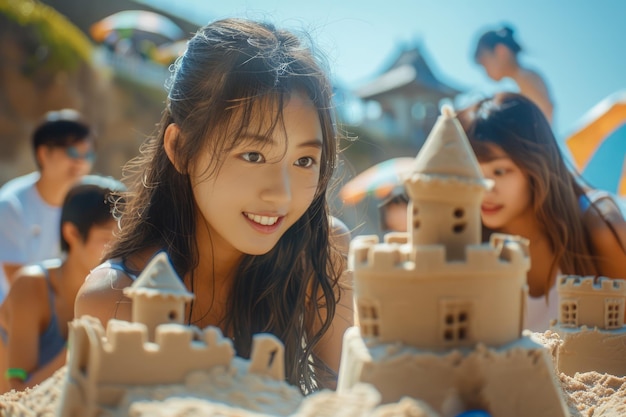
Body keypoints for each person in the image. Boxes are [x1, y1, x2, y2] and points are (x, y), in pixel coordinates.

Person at [74, 18, 353, 394]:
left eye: (304, 161)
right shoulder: (117, 299)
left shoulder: (320, 250)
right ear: (181, 149)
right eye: (253, 155)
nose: (282, 195)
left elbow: (344, 398)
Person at [456, 92, 626, 331]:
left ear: (537, 165)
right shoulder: (465, 238)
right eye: (473, 172)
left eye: (500, 171)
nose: (485, 188)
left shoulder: (600, 225)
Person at [0, 175, 124, 393]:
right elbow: (18, 389)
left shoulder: (117, 286)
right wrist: (81, 344)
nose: (118, 252)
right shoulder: (31, 286)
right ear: (72, 233)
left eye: (124, 241)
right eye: (107, 239)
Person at [0, 109, 95, 299]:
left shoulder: (87, 208)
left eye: (88, 155)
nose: (81, 162)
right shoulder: (11, 206)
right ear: (44, 153)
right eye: (73, 151)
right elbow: (20, 288)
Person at [473, 25, 554, 124]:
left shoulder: (526, 78)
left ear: (501, 51)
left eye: (485, 63)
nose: (486, 72)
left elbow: (541, 117)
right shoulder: (525, 77)